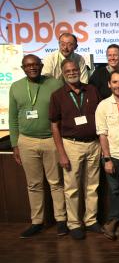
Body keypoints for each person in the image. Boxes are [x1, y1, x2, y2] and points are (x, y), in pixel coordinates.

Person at [9, 54, 67, 238]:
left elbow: (63, 112)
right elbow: (12, 118)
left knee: (56, 183)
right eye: (28, 65)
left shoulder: (55, 84)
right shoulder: (16, 87)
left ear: (42, 66)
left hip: (51, 140)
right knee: (33, 184)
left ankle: (61, 220)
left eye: (35, 64)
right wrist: (14, 144)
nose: (32, 67)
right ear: (23, 68)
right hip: (26, 141)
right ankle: (37, 222)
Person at [48, 59, 103, 239]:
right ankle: (73, 223)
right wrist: (61, 153)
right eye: (68, 70)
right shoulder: (57, 96)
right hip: (71, 145)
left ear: (79, 70)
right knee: (72, 187)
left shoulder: (92, 90)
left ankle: (91, 220)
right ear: (63, 73)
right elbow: (54, 126)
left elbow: (101, 118)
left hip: (94, 144)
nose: (72, 72)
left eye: (74, 69)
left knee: (92, 186)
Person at [95, 70, 119, 240]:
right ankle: (118, 224)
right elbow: (102, 134)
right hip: (113, 155)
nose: (118, 85)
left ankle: (110, 223)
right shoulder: (103, 105)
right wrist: (107, 159)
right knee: (115, 191)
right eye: (115, 82)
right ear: (109, 84)